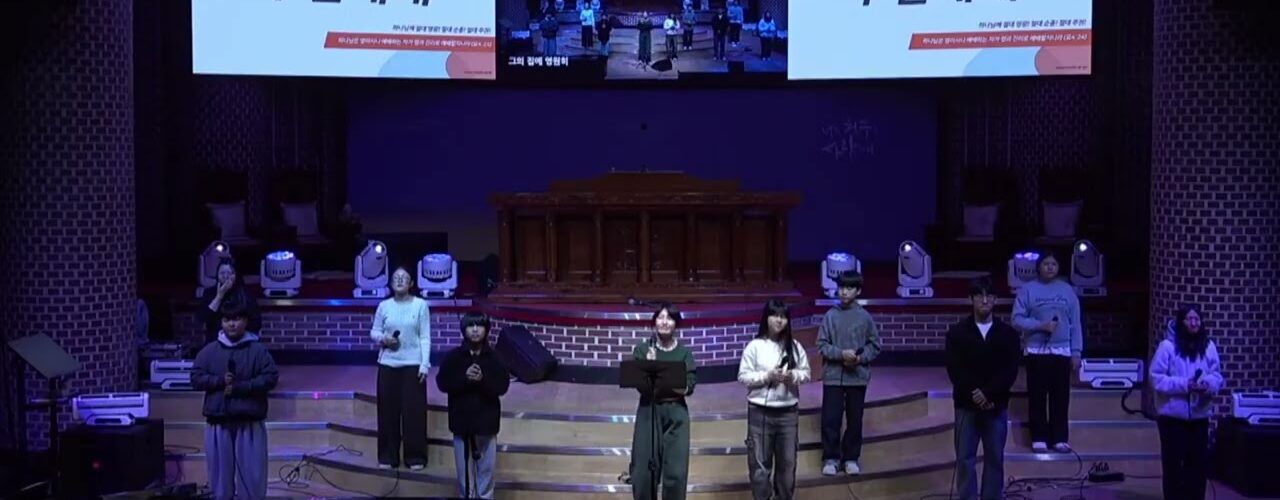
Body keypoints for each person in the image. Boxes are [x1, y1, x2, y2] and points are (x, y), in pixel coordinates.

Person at [191, 303, 279, 500]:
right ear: (221, 323)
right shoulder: (209, 351)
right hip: (218, 421)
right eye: (227, 320)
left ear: (245, 322)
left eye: (236, 319)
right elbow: (196, 378)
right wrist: (219, 381)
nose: (231, 324)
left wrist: (243, 386)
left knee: (252, 478)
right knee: (219, 481)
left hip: (249, 421)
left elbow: (271, 377)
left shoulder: (258, 350)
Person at [945, 278, 1021, 500]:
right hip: (965, 406)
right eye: (979, 295)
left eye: (989, 296)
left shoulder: (1008, 334)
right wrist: (975, 394)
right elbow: (955, 370)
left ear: (996, 300)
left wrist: (988, 394)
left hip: (996, 405)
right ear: (971, 299)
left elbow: (1010, 370)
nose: (984, 300)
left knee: (995, 458)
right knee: (965, 458)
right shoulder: (957, 333)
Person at [738, 300, 810, 500]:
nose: (779, 320)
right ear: (766, 318)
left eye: (783, 317)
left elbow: (806, 373)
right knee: (759, 468)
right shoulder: (755, 346)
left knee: (787, 466)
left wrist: (792, 376)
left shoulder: (794, 347)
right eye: (775, 315)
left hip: (788, 413)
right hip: (759, 412)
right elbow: (743, 376)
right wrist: (766, 376)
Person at [1012, 251, 1082, 453]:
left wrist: (1076, 351)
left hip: (1062, 350)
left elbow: (1075, 323)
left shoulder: (1067, 290)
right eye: (1046, 264)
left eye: (1053, 264)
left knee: (1060, 397)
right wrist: (1039, 325)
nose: (1050, 267)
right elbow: (1016, 319)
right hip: (1036, 351)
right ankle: (1039, 437)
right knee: (1037, 396)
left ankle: (1059, 438)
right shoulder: (1027, 290)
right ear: (1038, 267)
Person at [1150, 305, 1222, 500]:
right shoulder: (1167, 347)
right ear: (1181, 322)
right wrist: (1184, 385)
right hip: (1172, 418)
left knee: (1197, 466)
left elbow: (1216, 375)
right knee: (1173, 467)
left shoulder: (1208, 346)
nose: (1194, 323)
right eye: (1189, 319)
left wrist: (1207, 384)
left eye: (1197, 319)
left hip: (1199, 417)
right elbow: (1156, 378)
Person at [437, 312, 510, 499]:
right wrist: (465, 379)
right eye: (471, 326)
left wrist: (482, 380)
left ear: (486, 330)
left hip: (486, 423)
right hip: (462, 423)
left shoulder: (495, 358)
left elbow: (502, 387)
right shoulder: (453, 357)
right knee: (464, 475)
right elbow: (443, 383)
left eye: (479, 326)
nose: (475, 330)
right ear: (464, 330)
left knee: (486, 471)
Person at [629, 303, 697, 500]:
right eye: (660, 317)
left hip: (676, 411)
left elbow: (689, 384)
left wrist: (666, 380)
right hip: (649, 410)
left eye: (669, 318)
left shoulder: (684, 353)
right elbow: (639, 384)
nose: (664, 322)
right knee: (643, 471)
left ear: (676, 324)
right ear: (654, 322)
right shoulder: (642, 350)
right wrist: (650, 366)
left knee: (676, 472)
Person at [816, 271, 881, 476]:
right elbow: (822, 344)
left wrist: (859, 359)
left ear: (858, 291)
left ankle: (851, 458)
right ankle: (831, 458)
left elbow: (875, 346)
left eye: (849, 288)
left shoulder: (865, 317)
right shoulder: (830, 315)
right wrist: (840, 354)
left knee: (855, 420)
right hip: (833, 377)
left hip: (857, 377)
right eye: (841, 287)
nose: (844, 292)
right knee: (831, 419)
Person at [370, 266, 432, 469]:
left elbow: (425, 337)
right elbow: (374, 332)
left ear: (411, 283)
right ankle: (388, 456)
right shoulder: (384, 306)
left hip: (413, 365)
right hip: (388, 364)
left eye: (404, 278)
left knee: (414, 413)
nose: (399, 280)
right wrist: (383, 339)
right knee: (387, 412)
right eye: (396, 277)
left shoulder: (420, 305)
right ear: (390, 283)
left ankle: (415, 457)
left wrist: (424, 364)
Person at [198, 258, 262, 344]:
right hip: (215, 341)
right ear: (217, 275)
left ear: (236, 275)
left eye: (230, 273)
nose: (226, 276)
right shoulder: (209, 292)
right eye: (222, 273)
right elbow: (204, 317)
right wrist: (219, 296)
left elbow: (256, 322)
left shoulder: (244, 293)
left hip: (240, 341)